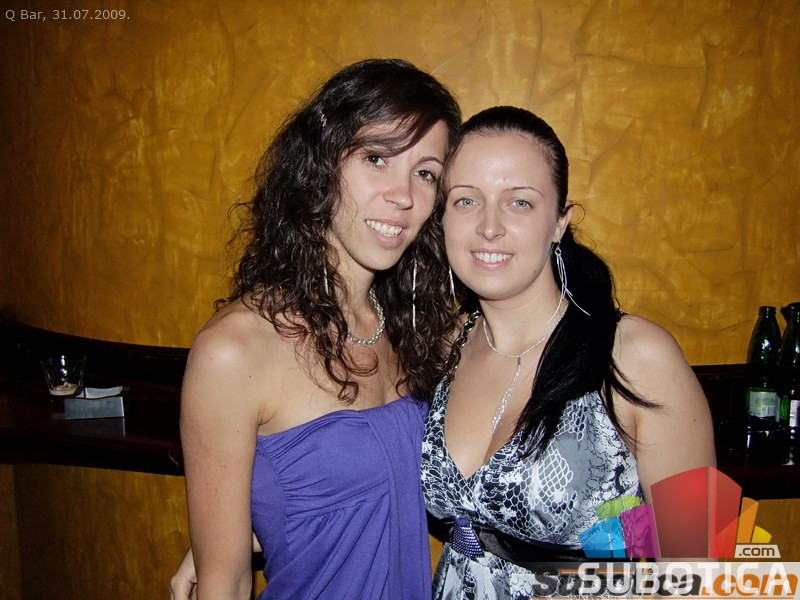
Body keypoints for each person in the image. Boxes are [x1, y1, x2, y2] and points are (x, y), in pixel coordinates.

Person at [172, 58, 461, 600]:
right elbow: (225, 582)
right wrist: (227, 531)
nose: (404, 195)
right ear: (322, 163)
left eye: (425, 173)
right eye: (376, 158)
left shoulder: (417, 328)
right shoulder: (235, 350)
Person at [421, 106, 716, 599]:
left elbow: (696, 563)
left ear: (560, 221)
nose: (489, 227)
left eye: (520, 203)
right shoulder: (442, 347)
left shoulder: (636, 356)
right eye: (466, 200)